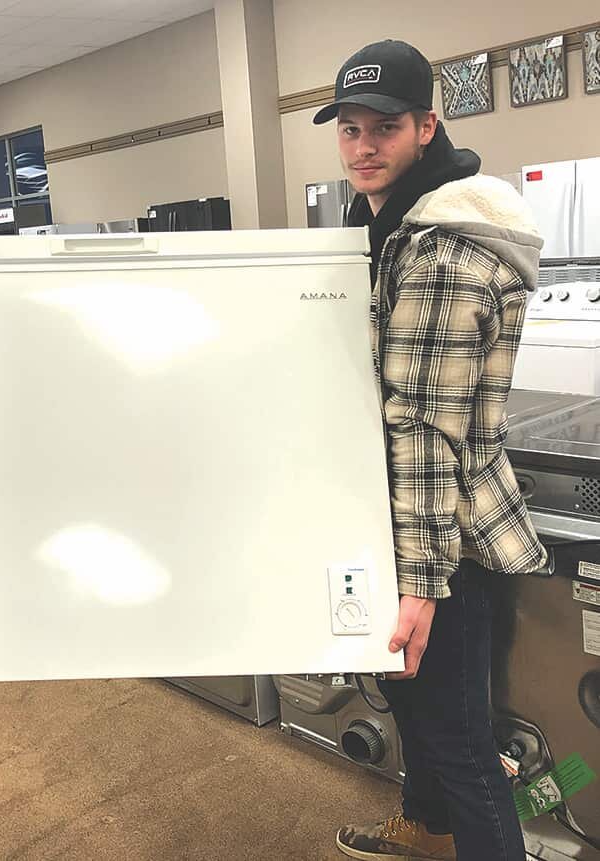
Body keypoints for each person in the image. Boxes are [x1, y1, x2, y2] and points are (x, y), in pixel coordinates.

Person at [313, 40, 548, 861]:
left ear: (426, 126)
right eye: (349, 129)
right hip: (399, 520)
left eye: (384, 127)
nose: (363, 146)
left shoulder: (442, 249)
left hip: (442, 534)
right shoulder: (386, 226)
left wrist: (419, 583)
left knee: (459, 739)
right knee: (415, 709)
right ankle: (425, 821)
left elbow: (421, 427)